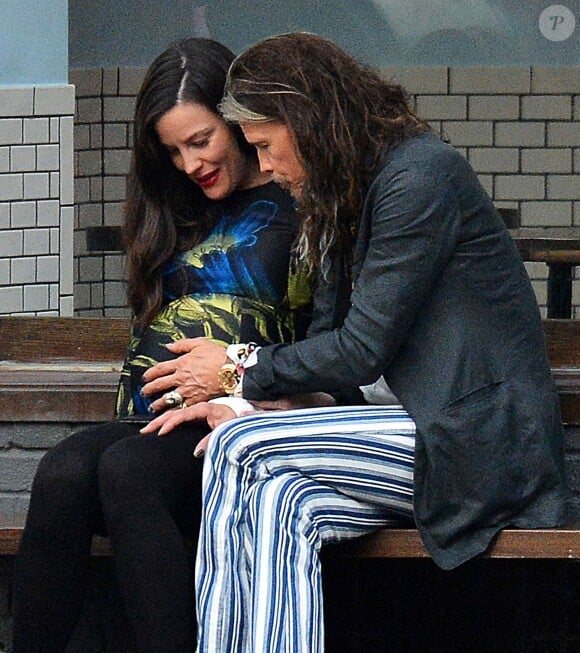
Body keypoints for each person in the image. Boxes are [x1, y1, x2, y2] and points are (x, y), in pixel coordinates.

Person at [141, 33, 568, 653]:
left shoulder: (419, 178)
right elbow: (331, 347)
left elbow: (363, 348)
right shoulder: (344, 186)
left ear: (306, 119)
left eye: (264, 144)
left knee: (239, 448)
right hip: (401, 430)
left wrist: (236, 371)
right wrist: (269, 403)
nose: (263, 166)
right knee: (281, 503)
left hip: (473, 443)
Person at [11, 37, 311, 653]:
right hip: (153, 417)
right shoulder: (177, 207)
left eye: (200, 141)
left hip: (243, 422)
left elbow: (331, 351)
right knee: (62, 471)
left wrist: (236, 380)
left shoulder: (295, 201)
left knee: (127, 471)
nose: (189, 164)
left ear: (236, 121)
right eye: (172, 151)